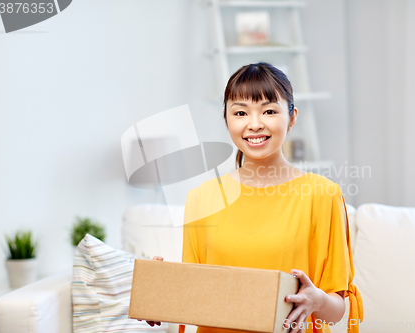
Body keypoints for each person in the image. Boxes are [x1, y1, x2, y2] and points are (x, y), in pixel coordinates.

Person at [144, 62, 363, 333]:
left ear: (292, 117)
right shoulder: (201, 198)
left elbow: (336, 312)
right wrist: (161, 294)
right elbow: (199, 298)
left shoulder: (322, 195)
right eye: (240, 113)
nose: (255, 124)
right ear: (227, 119)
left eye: (269, 111)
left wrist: (316, 299)